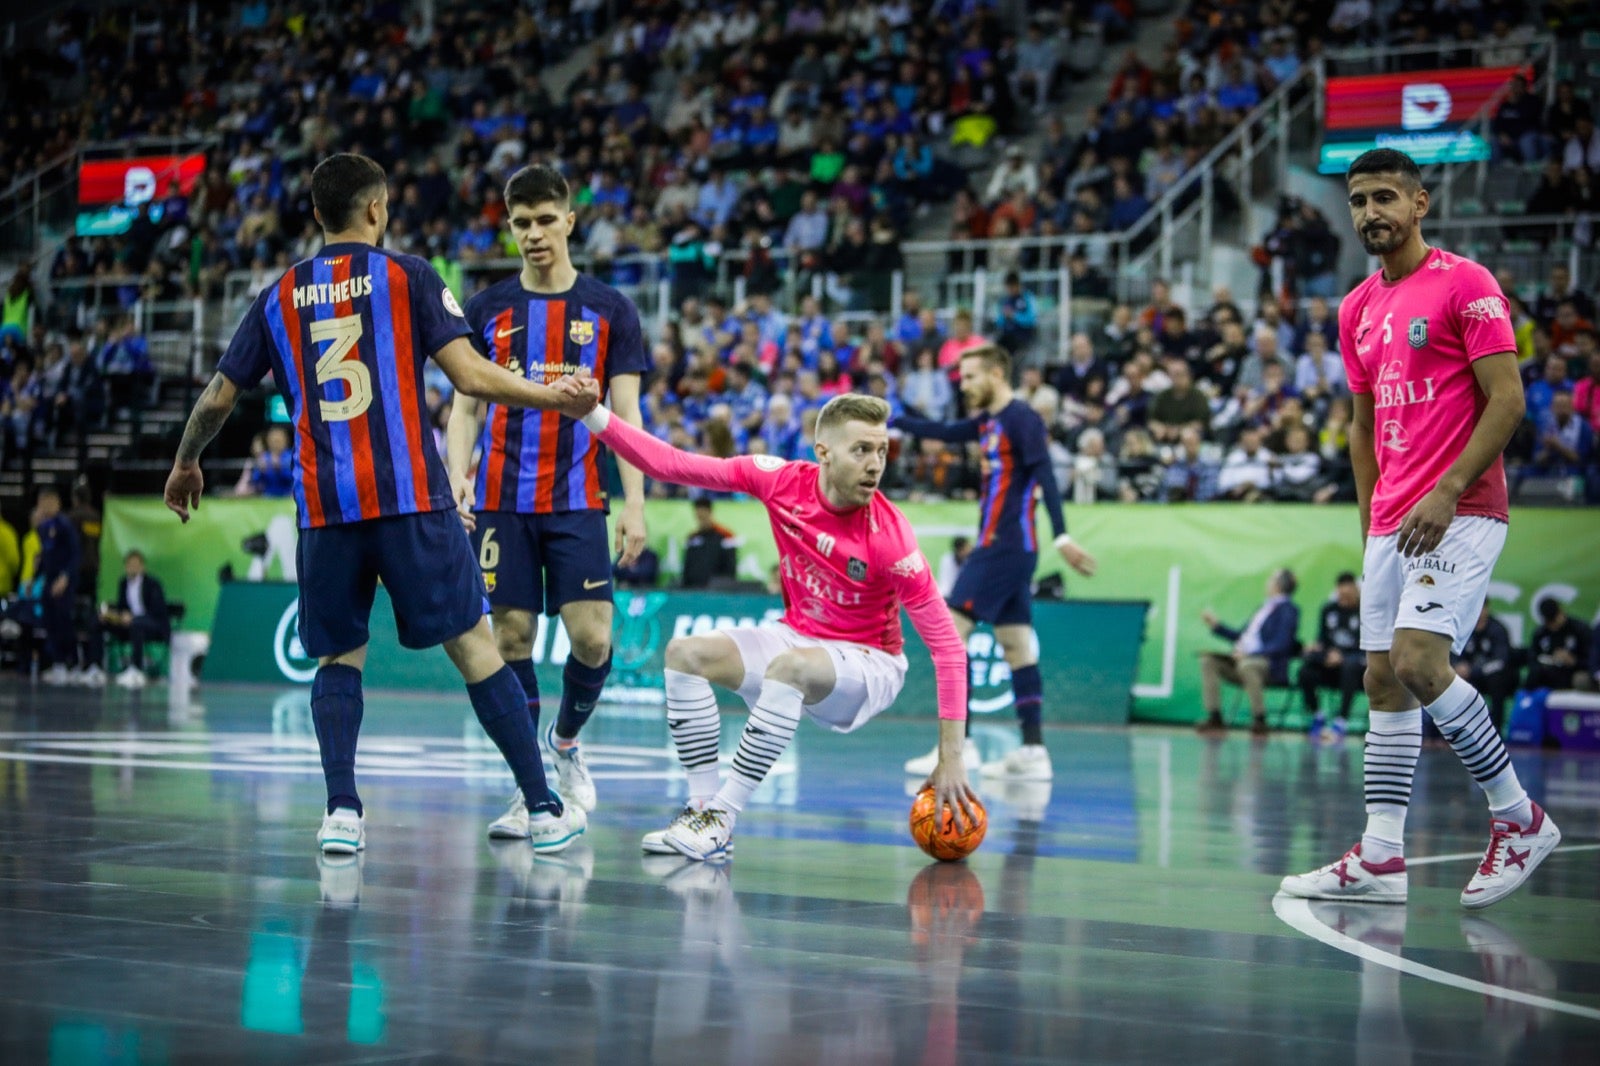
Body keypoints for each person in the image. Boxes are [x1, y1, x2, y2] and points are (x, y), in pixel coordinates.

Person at [163, 153, 597, 856]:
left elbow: (218, 396)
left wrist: (186, 462)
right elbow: (469, 375)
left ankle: (341, 813)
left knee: (338, 660)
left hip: (327, 510)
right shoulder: (409, 276)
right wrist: (557, 396)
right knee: (476, 649)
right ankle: (545, 809)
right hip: (409, 501)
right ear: (376, 210)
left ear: (316, 216)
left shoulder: (277, 296)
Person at [1281, 148, 1560, 911]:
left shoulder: (1467, 284)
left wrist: (1448, 488)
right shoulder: (1356, 307)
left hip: (1461, 509)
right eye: (1358, 201)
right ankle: (1379, 856)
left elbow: (1507, 401)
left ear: (1419, 202)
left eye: (1383, 198)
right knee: (1381, 678)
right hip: (1392, 519)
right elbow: (1362, 424)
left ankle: (1519, 818)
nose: (1370, 212)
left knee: (1417, 661)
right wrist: (1373, 519)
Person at [563, 390, 976, 862]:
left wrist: (952, 757)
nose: (875, 464)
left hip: (869, 664)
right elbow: (670, 464)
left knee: (788, 668)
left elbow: (948, 648)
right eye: (861, 450)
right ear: (822, 452)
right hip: (798, 636)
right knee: (685, 654)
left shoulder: (892, 539)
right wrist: (592, 413)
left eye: (882, 451)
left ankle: (722, 816)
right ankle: (700, 814)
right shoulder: (778, 480)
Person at [446, 164, 650, 817]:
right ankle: (530, 782)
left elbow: (628, 419)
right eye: (520, 223)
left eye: (544, 220)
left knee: (592, 639)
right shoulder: (485, 309)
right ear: (510, 228)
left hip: (579, 500)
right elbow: (466, 407)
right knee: (509, 639)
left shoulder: (611, 309)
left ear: (570, 219)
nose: (533, 234)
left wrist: (637, 506)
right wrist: (458, 473)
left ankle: (566, 743)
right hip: (504, 501)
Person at [893, 345, 1098, 781]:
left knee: (950, 631)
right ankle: (1034, 752)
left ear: (996, 373)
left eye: (970, 377)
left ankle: (958, 746)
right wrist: (891, 418)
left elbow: (1045, 476)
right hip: (1010, 549)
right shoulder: (987, 422)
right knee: (1016, 645)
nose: (963, 386)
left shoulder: (1021, 419)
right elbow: (945, 431)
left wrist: (1062, 535)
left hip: (1004, 545)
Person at [1196, 569, 1301, 735]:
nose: (1268, 582)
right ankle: (1215, 716)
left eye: (1271, 579)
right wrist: (1217, 626)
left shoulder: (1288, 610)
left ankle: (1260, 719)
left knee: (1248, 665)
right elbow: (1242, 637)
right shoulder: (1263, 608)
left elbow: (1282, 644)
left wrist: (1251, 655)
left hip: (1266, 665)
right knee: (1208, 660)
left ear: (1279, 585)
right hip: (1242, 659)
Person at [1300, 572, 1364, 739]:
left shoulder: (1364, 611)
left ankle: (1341, 720)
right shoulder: (1328, 609)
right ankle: (1317, 715)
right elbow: (1322, 639)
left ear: (1356, 591)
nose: (1344, 598)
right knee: (1305, 670)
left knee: (1351, 666)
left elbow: (1364, 646)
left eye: (1348, 594)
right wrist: (1322, 652)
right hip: (1330, 663)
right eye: (1341, 594)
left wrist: (1341, 656)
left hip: (1353, 665)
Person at [99, 549, 169, 690]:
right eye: (130, 564)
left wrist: (134, 617)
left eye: (136, 564)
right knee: (98, 622)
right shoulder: (123, 583)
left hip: (151, 624)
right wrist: (112, 615)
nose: (132, 567)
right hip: (128, 623)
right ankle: (95, 667)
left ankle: (136, 669)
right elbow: (121, 607)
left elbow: (157, 611)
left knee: (136, 624)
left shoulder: (153, 584)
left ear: (143, 566)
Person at [33, 486, 80, 687]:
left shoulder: (65, 524)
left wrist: (65, 577)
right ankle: (58, 662)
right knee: (49, 620)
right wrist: (34, 578)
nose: (45, 507)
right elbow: (45, 555)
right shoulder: (43, 527)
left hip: (63, 580)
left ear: (57, 504)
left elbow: (75, 554)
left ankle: (73, 662)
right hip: (49, 579)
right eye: (42, 503)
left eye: (49, 503)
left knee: (63, 619)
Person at [1454, 605, 1514, 730]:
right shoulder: (1465, 627)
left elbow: (1500, 661)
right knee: (1452, 681)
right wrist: (1458, 666)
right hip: (1470, 676)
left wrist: (1474, 671)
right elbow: (1454, 652)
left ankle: (1495, 728)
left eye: (1481, 608)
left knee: (1497, 681)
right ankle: (1457, 729)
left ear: (1487, 609)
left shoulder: (1498, 629)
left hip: (1492, 676)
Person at [1525, 597, 1592, 692]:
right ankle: (1526, 702)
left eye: (1554, 620)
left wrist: (1574, 661)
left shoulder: (1580, 630)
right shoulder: (1541, 633)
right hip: (1549, 672)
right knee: (1534, 674)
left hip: (1573, 672)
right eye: (1549, 623)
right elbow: (1532, 657)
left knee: (1578, 678)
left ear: (1561, 612)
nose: (1552, 626)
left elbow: (1593, 660)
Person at [680, 498, 739, 588]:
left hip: (718, 590)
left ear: (710, 513)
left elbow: (730, 568)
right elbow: (687, 568)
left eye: (703, 517)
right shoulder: (692, 538)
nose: (701, 521)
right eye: (699, 518)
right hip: (694, 589)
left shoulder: (726, 536)